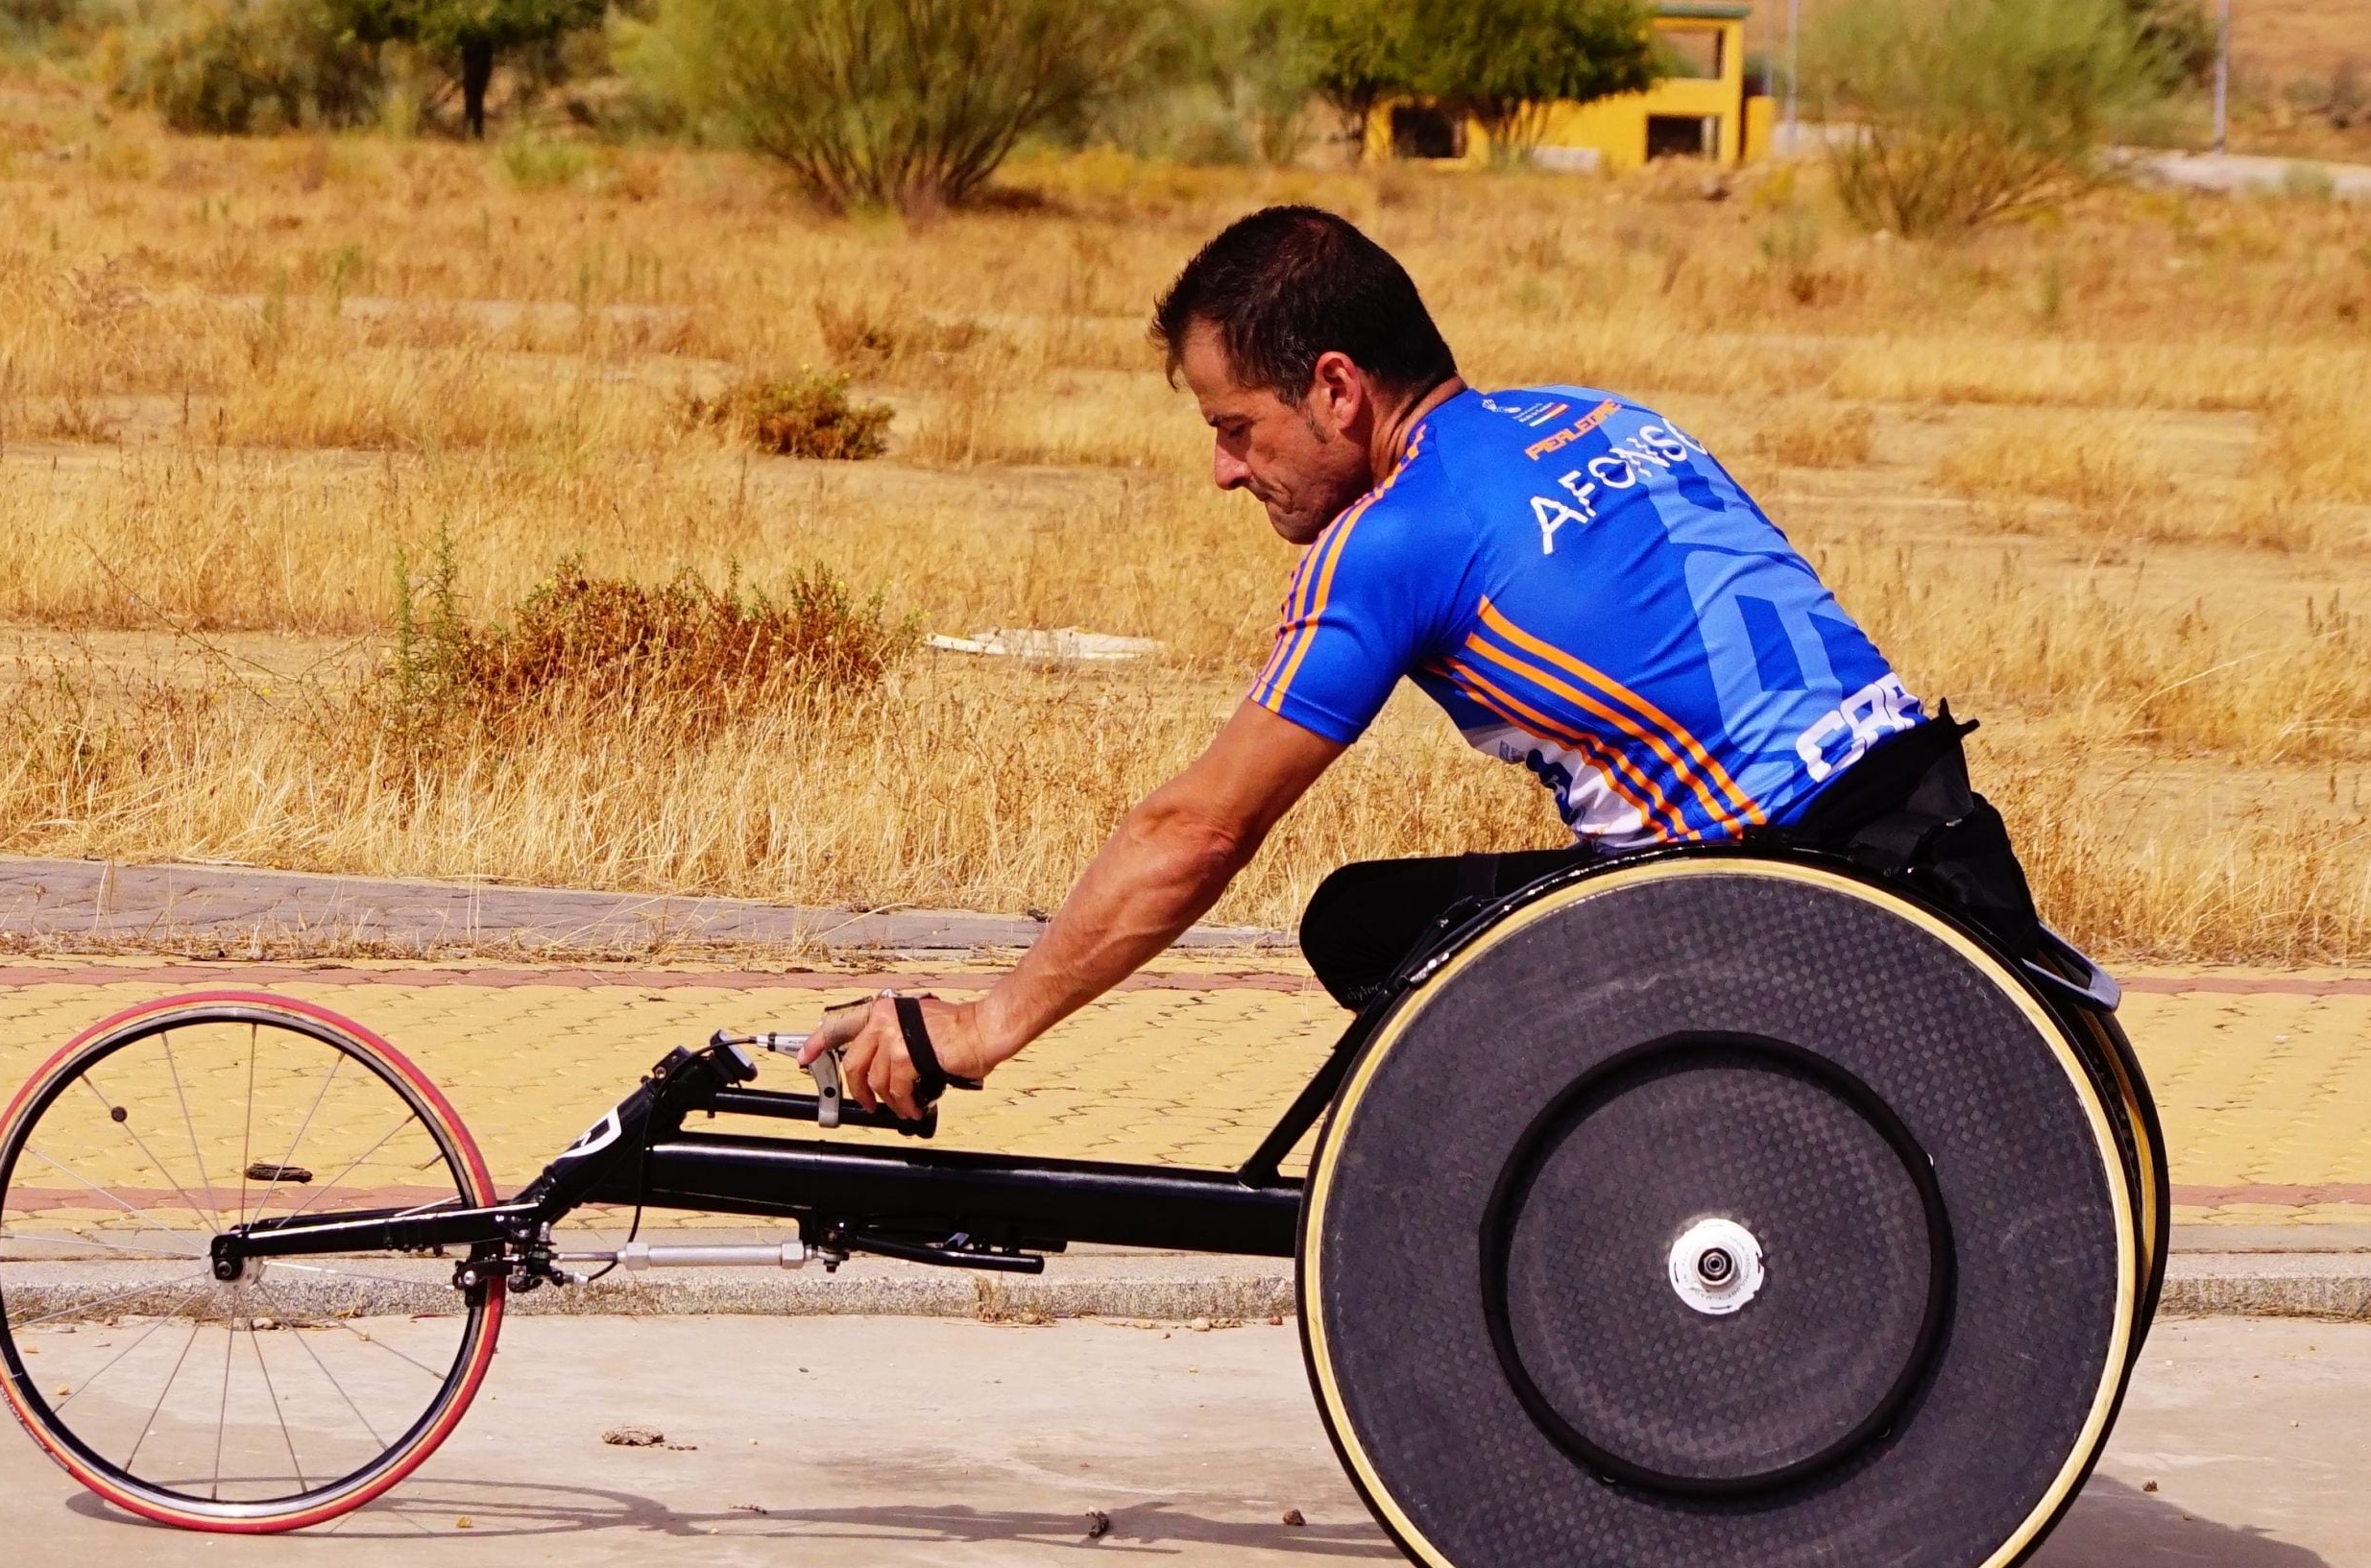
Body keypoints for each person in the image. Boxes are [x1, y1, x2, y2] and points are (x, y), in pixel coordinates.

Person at [809, 205, 2037, 1119]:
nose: (1224, 470)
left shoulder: (1394, 536)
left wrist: (984, 1025)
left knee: (1365, 930)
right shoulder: (1610, 416)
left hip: (1784, 916)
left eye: (1236, 428)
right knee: (1408, 922)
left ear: (1335, 388)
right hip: (1945, 844)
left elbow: (1196, 833)